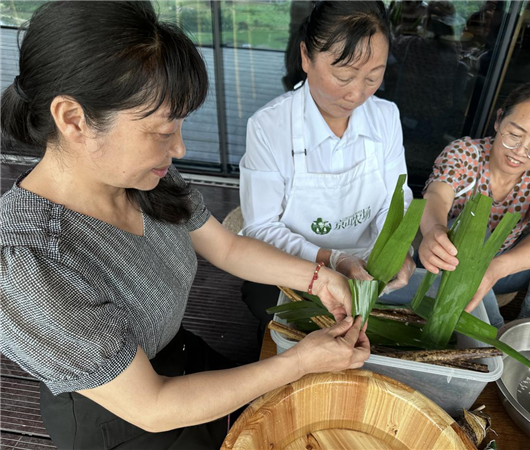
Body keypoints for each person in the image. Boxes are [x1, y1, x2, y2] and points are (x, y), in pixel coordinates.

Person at [0, 3, 371, 449]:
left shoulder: (142, 177)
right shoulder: (30, 264)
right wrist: (299, 362)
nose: (178, 146)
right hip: (123, 420)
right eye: (161, 130)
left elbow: (226, 248)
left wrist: (317, 277)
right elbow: (153, 407)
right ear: (73, 119)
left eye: (179, 123)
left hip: (181, 355)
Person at [239, 1, 416, 341]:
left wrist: (398, 250)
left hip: (367, 270)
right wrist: (333, 260)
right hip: (295, 272)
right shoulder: (269, 126)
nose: (356, 93)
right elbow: (260, 229)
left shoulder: (386, 116)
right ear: (306, 57)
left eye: (373, 77)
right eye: (344, 75)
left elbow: (397, 199)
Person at [419, 79, 530, 328]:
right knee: (474, 227)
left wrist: (495, 268)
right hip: (449, 262)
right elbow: (437, 195)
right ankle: (492, 333)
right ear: (499, 119)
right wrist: (434, 231)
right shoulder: (464, 152)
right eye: (514, 135)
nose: (520, 151)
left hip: (506, 268)